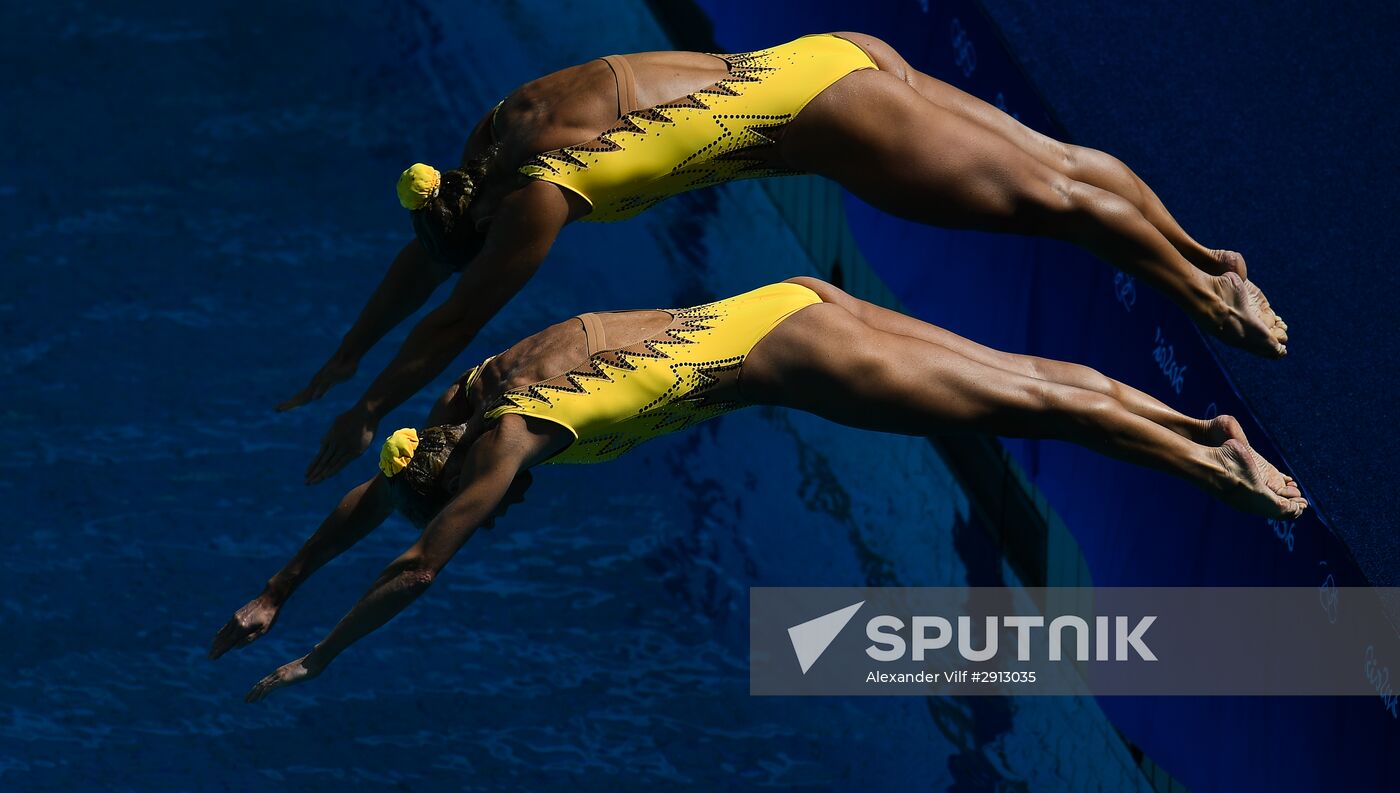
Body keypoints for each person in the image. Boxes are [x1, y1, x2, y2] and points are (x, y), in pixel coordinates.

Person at [220, 277, 1304, 701]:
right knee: (1011, 379)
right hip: (785, 301)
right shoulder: (479, 389)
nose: (502, 507)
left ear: (462, 477)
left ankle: (1213, 460)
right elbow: (383, 493)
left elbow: (415, 556)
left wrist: (318, 650)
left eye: (477, 501)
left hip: (796, 361)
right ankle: (1193, 428)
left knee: (1016, 408)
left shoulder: (504, 438)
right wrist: (280, 584)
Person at [278, 32, 1288, 485]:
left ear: (478, 224)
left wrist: (372, 404)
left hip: (828, 124)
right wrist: (350, 362)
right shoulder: (500, 131)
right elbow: (429, 275)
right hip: (825, 60)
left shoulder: (541, 201)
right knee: (1058, 168)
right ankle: (1207, 261)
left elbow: (452, 316)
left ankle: (1201, 287)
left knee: (1054, 206)